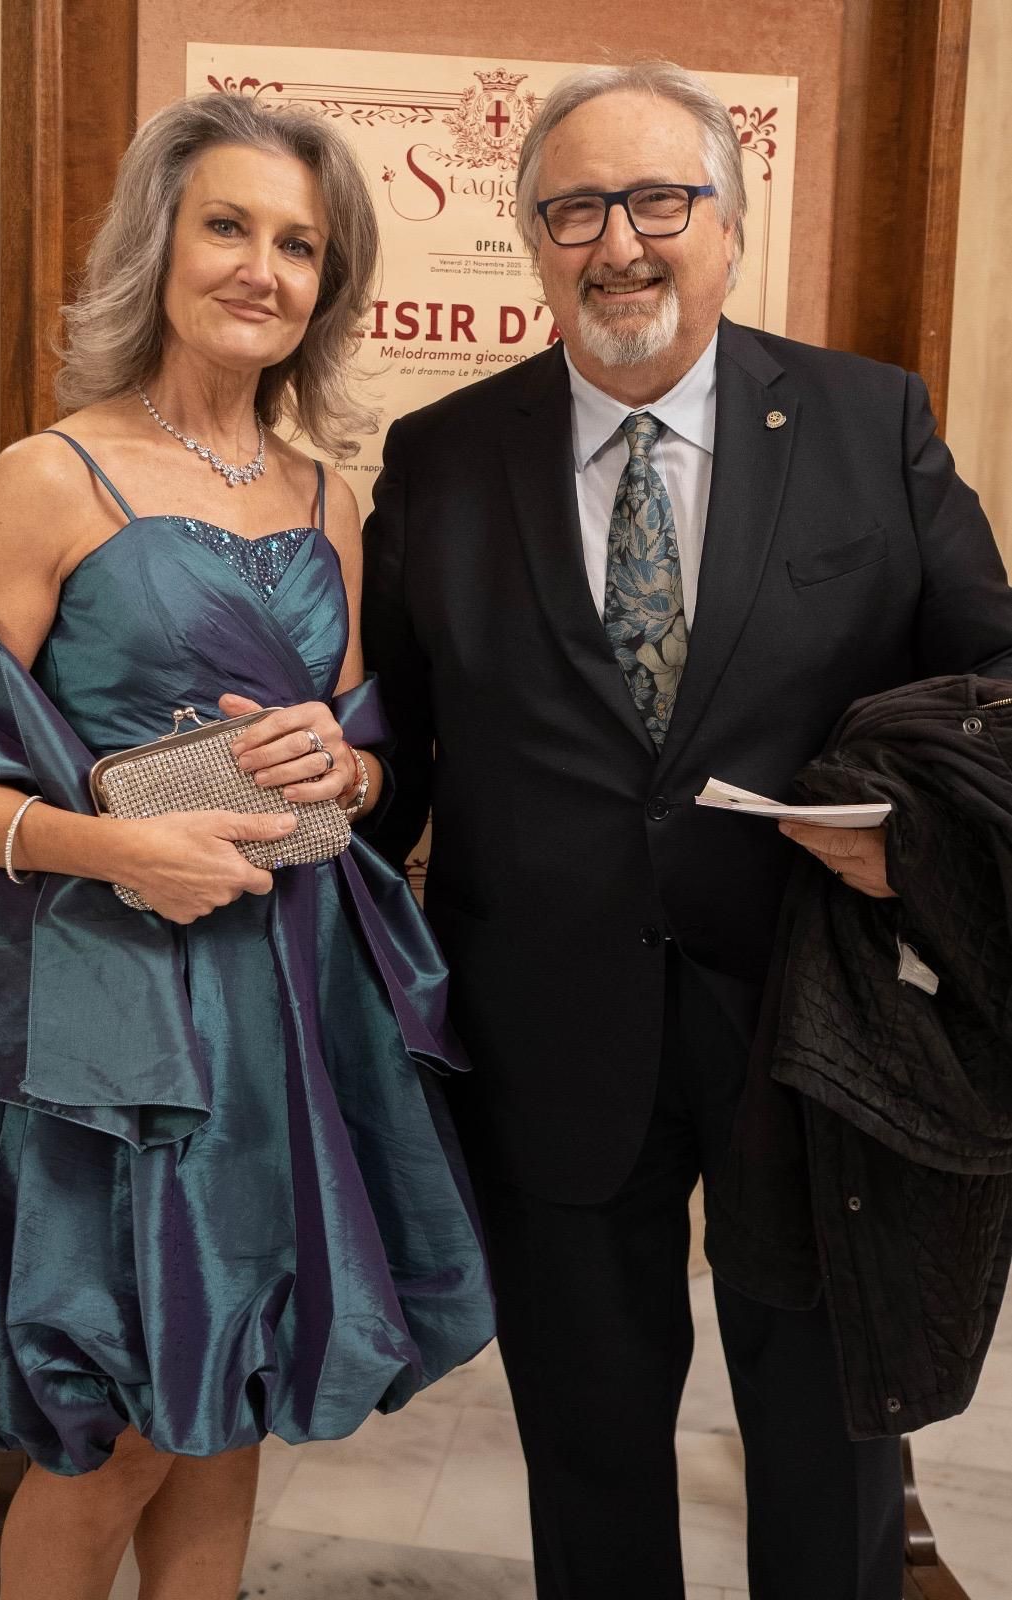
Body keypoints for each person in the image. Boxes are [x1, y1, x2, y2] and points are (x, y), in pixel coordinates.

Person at [361, 59, 1012, 1600]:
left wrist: (913, 836)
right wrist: (304, 807)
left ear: (729, 221)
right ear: (533, 240)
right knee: (584, 1432)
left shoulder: (867, 421)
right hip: (545, 1024)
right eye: (574, 209)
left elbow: (996, 681)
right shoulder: (442, 457)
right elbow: (396, 744)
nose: (619, 243)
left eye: (658, 200)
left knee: (827, 1429)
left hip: (819, 1020)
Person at [0, 92, 492, 1600]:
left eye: (299, 244)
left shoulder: (331, 497)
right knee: (118, 1425)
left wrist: (346, 764)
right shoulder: (50, 475)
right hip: (114, 1012)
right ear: (159, 243)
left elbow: (357, 756)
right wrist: (119, 851)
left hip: (291, 1000)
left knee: (234, 1394)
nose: (262, 269)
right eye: (227, 226)